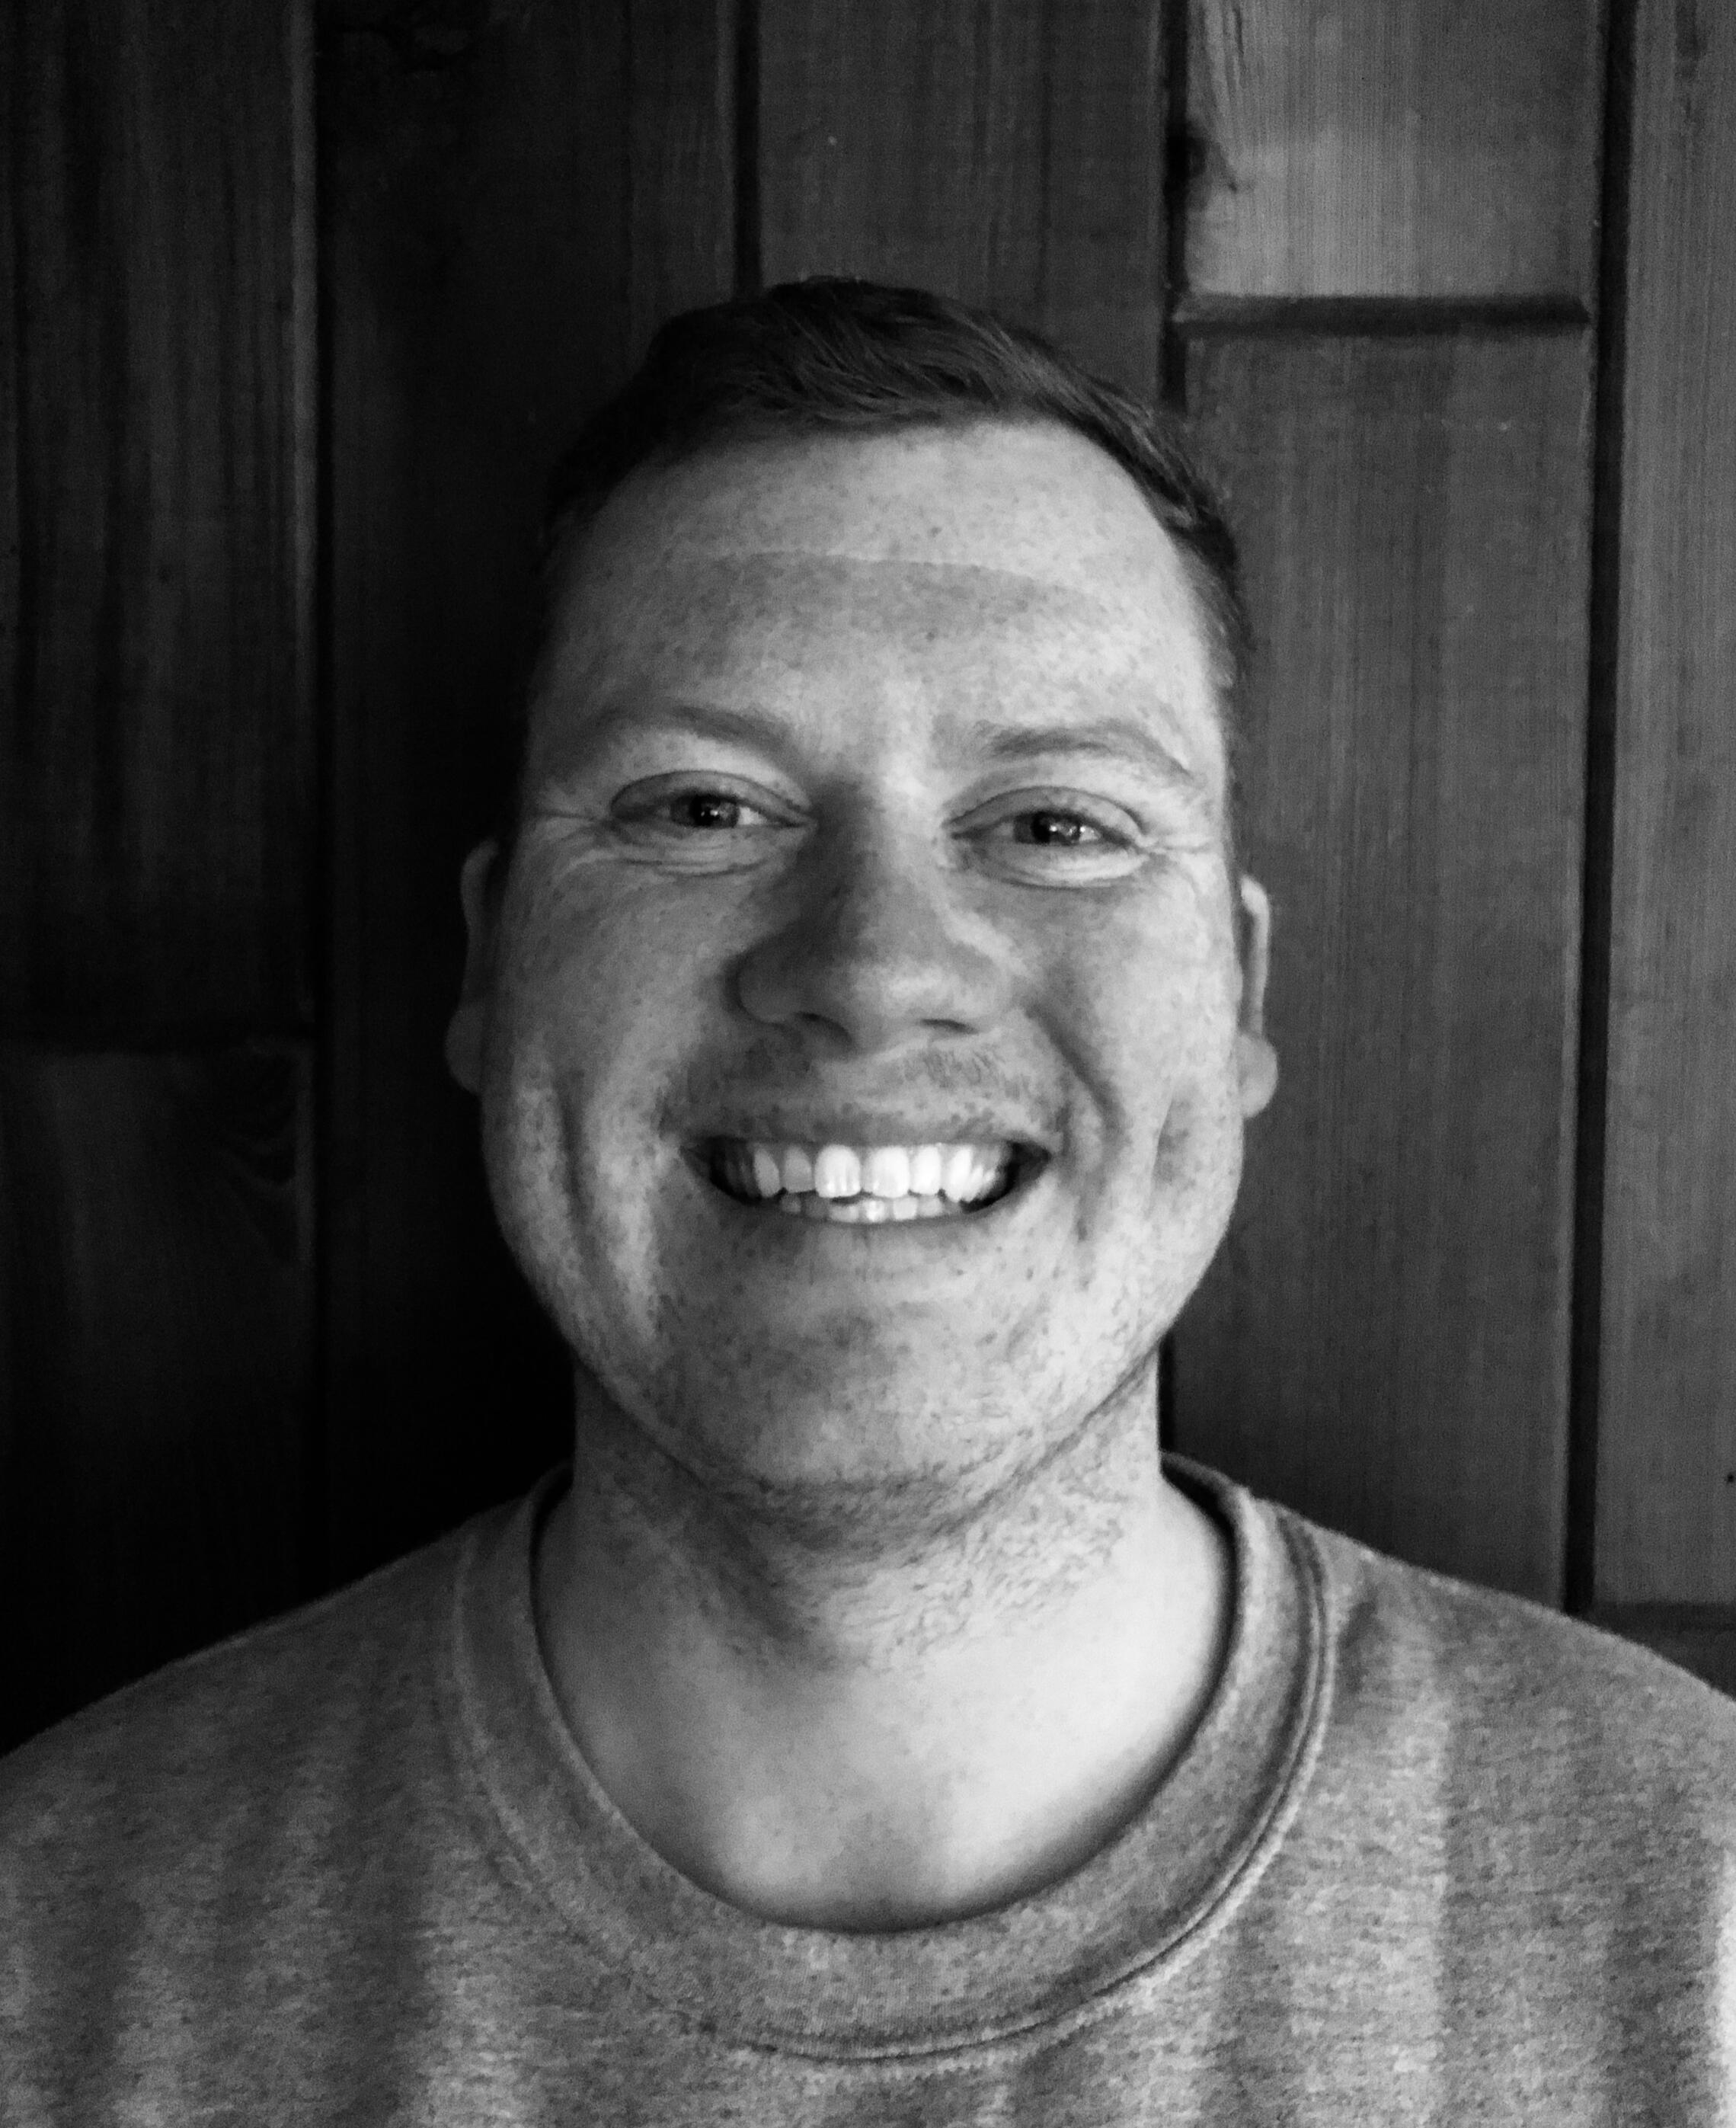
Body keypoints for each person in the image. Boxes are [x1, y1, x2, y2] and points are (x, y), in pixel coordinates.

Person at [3, 278, 1733, 2123]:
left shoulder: (1698, 1925)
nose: (875, 968)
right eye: (702, 808)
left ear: (1237, 990)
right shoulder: (51, 1957)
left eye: (1056, 823)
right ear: (495, 961)